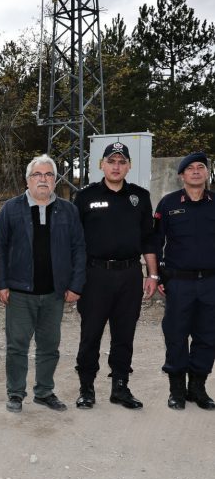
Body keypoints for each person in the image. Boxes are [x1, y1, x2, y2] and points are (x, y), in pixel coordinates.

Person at [0, 154, 86, 413]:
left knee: (49, 346)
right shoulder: (12, 208)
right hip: (19, 293)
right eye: (37, 175)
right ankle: (15, 393)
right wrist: (0, 284)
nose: (43, 179)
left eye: (48, 175)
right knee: (17, 346)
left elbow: (79, 248)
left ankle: (44, 392)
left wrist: (76, 285)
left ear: (55, 180)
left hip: (54, 293)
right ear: (27, 180)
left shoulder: (68, 210)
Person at [72, 142, 158, 410]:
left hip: (130, 275)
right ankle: (86, 388)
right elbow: (75, 242)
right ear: (102, 165)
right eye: (111, 161)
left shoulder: (140, 197)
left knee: (124, 334)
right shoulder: (85, 196)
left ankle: (120, 387)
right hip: (95, 276)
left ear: (129, 166)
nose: (116, 166)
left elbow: (148, 240)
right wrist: (74, 280)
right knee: (91, 334)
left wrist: (153, 275)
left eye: (122, 162)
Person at [151, 151, 215, 411]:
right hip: (179, 283)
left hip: (211, 283)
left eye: (201, 167)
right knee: (176, 335)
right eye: (190, 168)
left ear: (207, 173)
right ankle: (176, 390)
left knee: (207, 336)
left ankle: (197, 388)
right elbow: (156, 242)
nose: (196, 171)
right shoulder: (168, 204)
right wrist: (157, 275)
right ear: (181, 175)